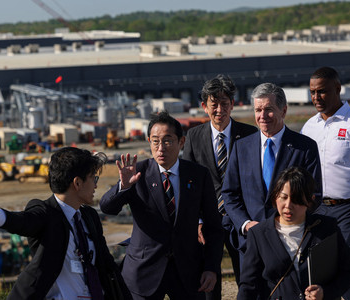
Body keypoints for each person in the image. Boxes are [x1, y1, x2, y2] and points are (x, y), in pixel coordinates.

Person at [0, 147, 131, 300]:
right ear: (77, 183)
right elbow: (22, 222)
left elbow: (108, 266)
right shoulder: (45, 212)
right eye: (94, 178)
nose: (95, 185)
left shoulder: (89, 216)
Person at [100, 111, 224, 300]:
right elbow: (107, 208)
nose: (161, 148)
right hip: (143, 271)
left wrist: (211, 268)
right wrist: (123, 186)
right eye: (155, 141)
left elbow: (214, 227)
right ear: (149, 141)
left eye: (167, 141)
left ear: (181, 142)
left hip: (188, 271)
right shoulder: (137, 174)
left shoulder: (198, 175)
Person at [222, 82, 322, 257]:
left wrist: (287, 223)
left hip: (292, 242)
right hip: (251, 242)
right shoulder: (240, 147)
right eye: (258, 110)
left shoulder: (305, 147)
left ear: (283, 111)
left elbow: (315, 195)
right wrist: (245, 224)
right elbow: (230, 194)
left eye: (268, 109)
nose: (262, 116)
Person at [182, 74, 257, 297]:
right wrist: (196, 220)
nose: (219, 110)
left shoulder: (250, 135)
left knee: (248, 279)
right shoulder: (194, 137)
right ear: (205, 107)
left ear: (232, 105)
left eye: (225, 104)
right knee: (208, 283)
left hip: (241, 220)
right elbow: (188, 183)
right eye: (214, 105)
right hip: (208, 221)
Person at [238, 166, 350, 300]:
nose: (288, 205)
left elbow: (349, 273)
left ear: (310, 200)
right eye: (283, 197)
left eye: (296, 200)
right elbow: (248, 285)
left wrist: (325, 292)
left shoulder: (326, 227)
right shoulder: (259, 234)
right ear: (275, 196)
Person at [301, 66, 350, 299]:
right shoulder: (309, 127)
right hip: (317, 210)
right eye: (313, 92)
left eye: (322, 92)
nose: (316, 97)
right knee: (321, 273)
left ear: (338, 89)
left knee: (349, 269)